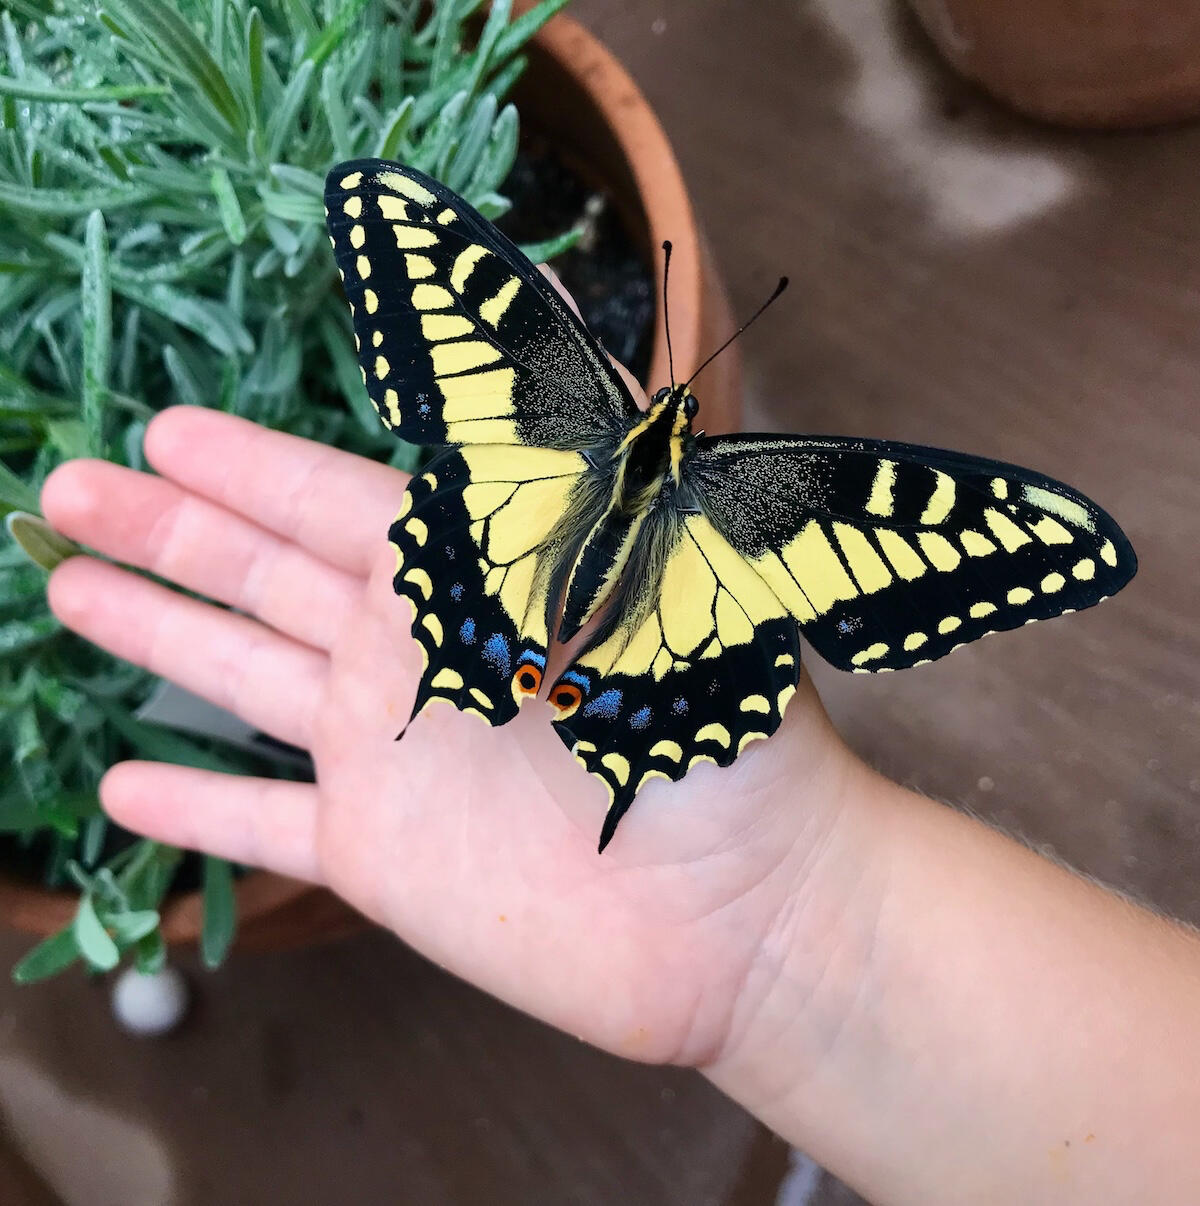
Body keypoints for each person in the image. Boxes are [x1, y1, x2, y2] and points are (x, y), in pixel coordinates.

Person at [39, 379, 1200, 1204]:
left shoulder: (579, 401)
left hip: (538, 556)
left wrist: (785, 918)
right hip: (655, 623)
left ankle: (511, 665)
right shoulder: (791, 490)